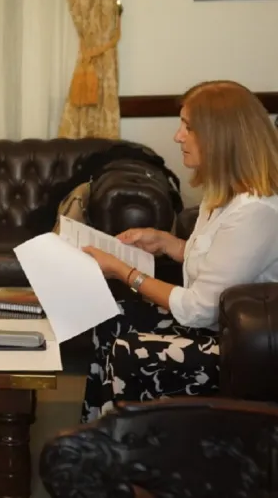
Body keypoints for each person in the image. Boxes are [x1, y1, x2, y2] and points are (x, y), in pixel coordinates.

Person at [80, 80, 278, 423]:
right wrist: (167, 243)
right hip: (219, 324)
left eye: (188, 127)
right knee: (110, 318)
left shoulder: (256, 211)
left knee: (129, 351)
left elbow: (199, 308)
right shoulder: (224, 193)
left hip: (241, 348)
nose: (177, 136)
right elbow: (222, 264)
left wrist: (124, 272)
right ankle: (98, 436)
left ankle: (132, 448)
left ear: (219, 137)